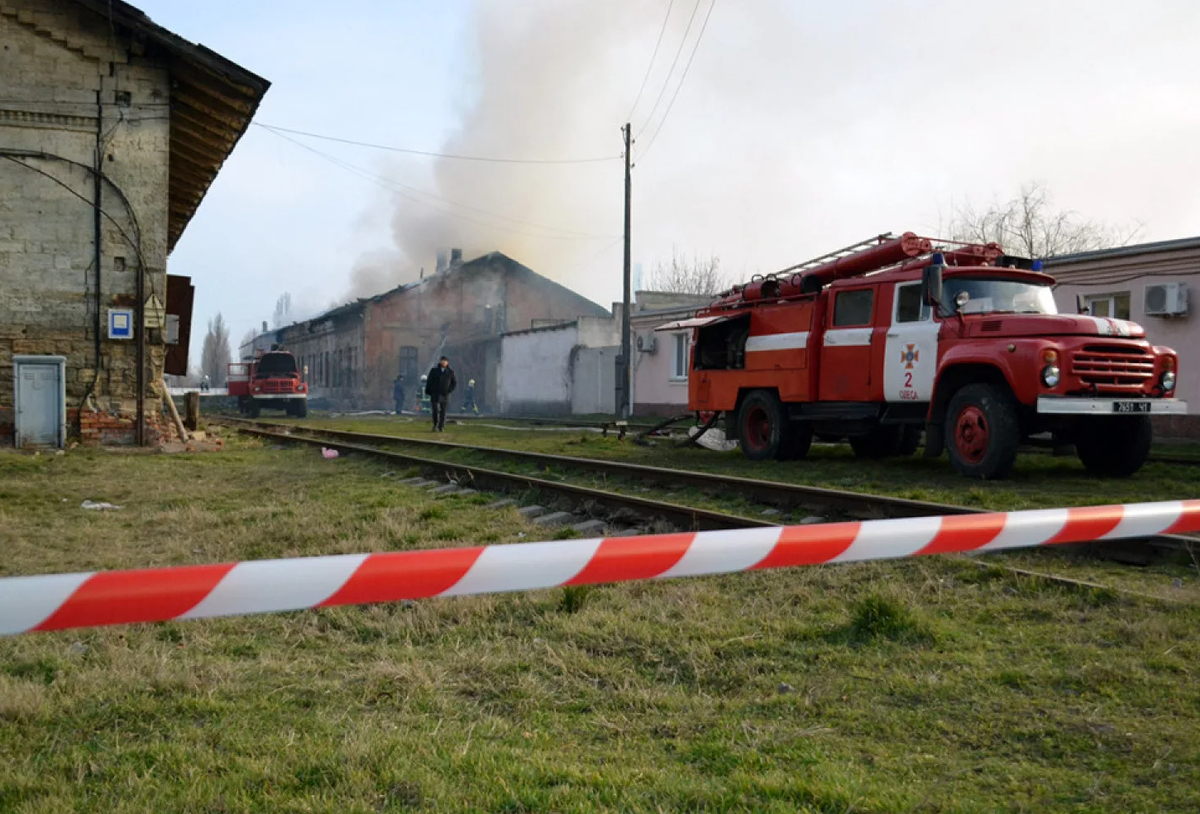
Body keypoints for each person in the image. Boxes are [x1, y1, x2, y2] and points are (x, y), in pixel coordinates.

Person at [424, 356, 456, 431]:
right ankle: (435, 424)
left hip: (445, 394)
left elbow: (454, 383)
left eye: (445, 361)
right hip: (435, 393)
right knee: (435, 410)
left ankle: (441, 426)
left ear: (447, 362)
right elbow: (429, 381)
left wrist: (449, 390)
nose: (443, 362)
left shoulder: (450, 372)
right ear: (440, 361)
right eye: (442, 361)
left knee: (443, 411)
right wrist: (429, 391)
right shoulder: (434, 370)